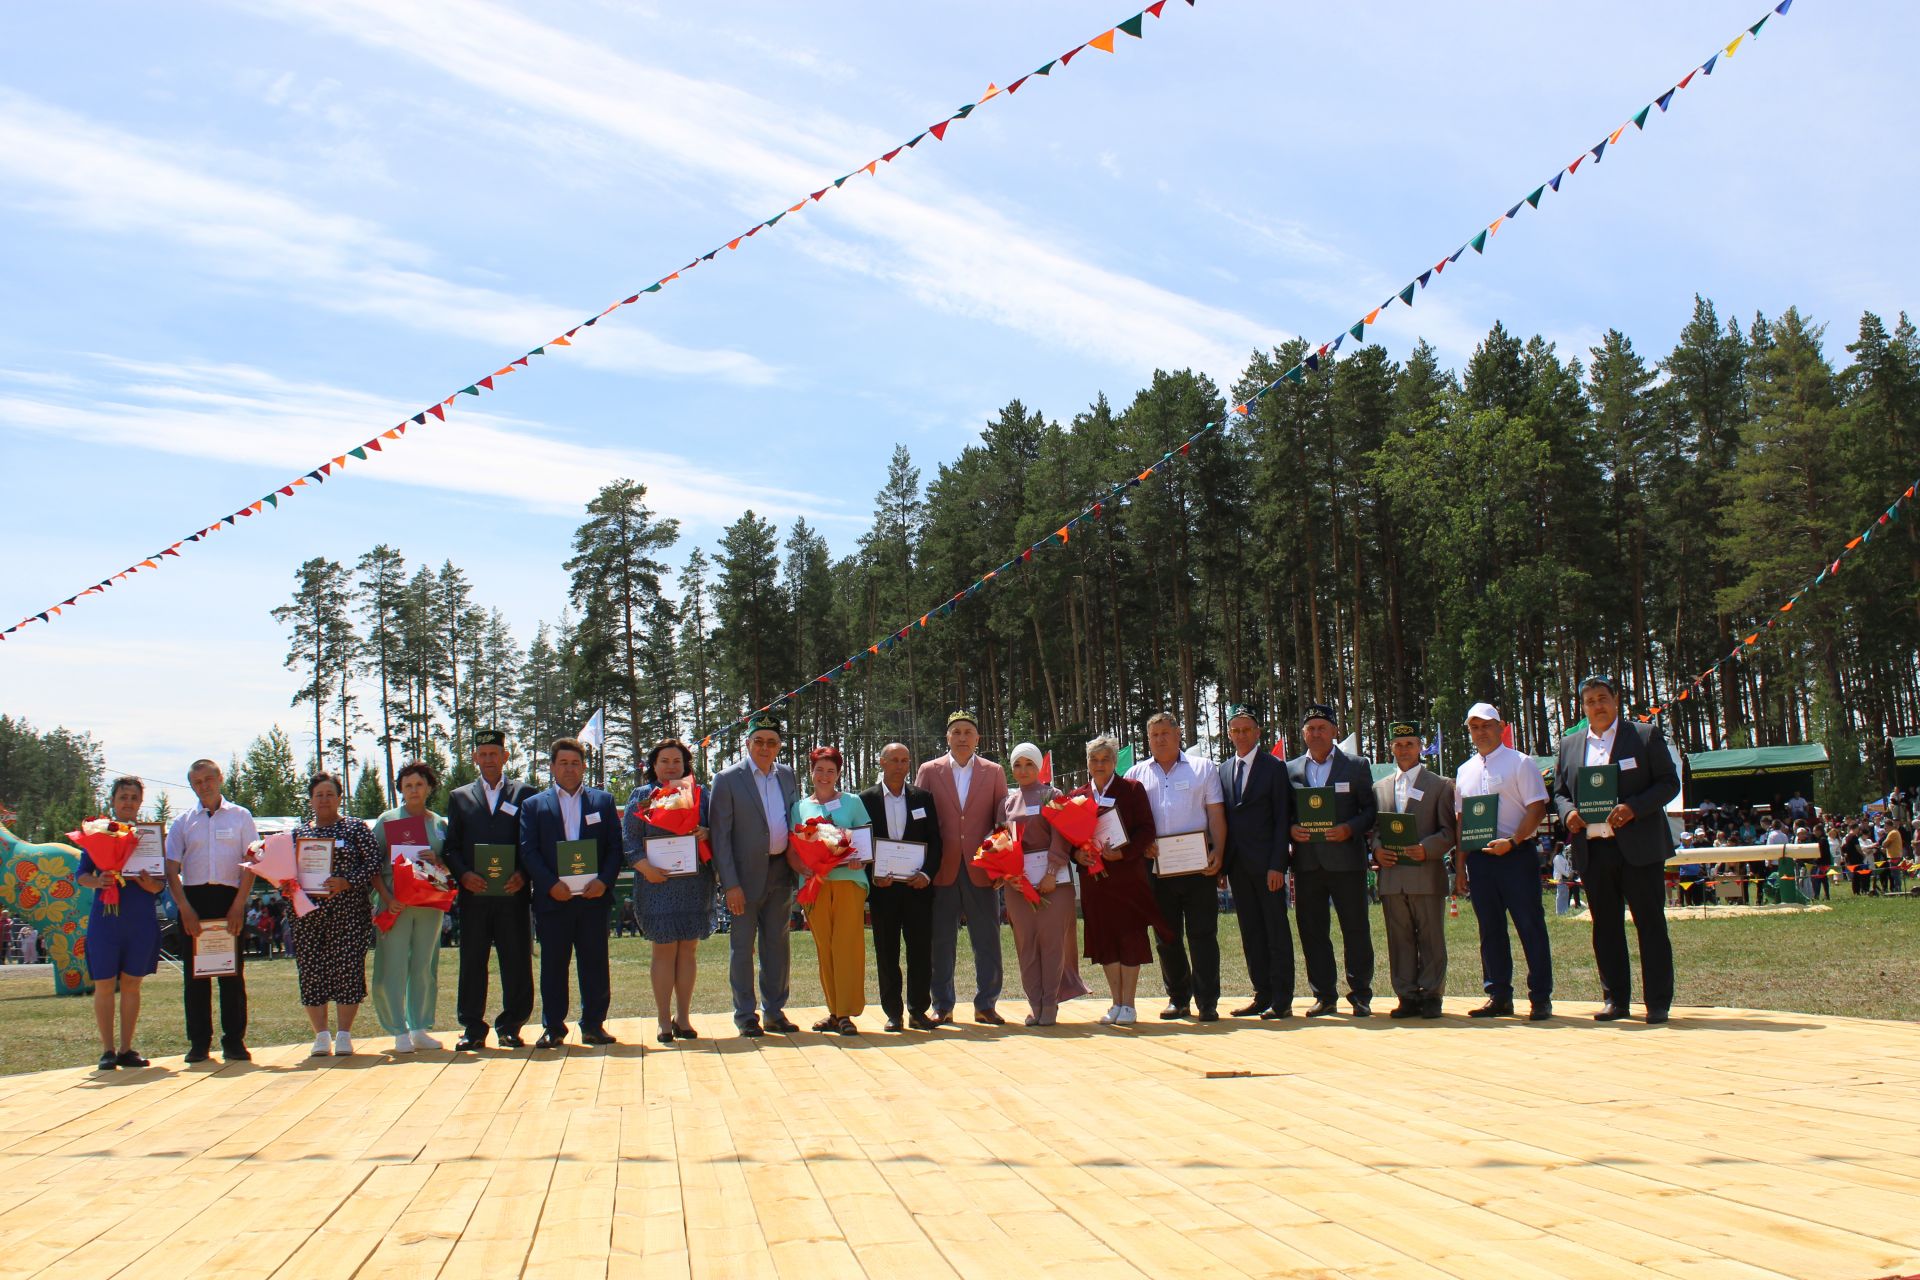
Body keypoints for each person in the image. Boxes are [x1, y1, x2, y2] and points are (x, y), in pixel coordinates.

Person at [1552, 675, 1679, 1024]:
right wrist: (1569, 813)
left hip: (1639, 848)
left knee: (1650, 925)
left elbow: (1669, 783)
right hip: (1594, 850)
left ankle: (1657, 1002)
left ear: (1616, 699)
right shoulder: (1570, 745)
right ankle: (1615, 1000)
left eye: (1603, 698)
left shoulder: (1643, 735)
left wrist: (1634, 807)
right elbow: (1560, 791)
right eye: (1590, 701)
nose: (1597, 706)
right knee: (1605, 927)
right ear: (1583, 707)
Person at [519, 737, 624, 1048]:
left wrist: (604, 881)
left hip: (593, 899)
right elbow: (528, 851)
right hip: (554, 900)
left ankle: (594, 1025)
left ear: (584, 767)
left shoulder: (603, 802)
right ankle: (553, 1027)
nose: (569, 768)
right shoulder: (534, 805)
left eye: (575, 763)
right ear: (552, 767)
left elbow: (614, 849)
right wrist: (551, 884)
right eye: (563, 763)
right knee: (553, 966)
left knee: (594, 964)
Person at [1125, 711, 1227, 1021]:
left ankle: (1207, 1002)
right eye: (1154, 735)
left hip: (1199, 867)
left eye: (1165, 734)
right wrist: (1142, 845)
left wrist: (1219, 852)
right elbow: (1129, 823)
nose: (1159, 739)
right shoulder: (1136, 774)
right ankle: (1178, 998)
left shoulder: (1203, 768)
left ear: (1179, 734)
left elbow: (1216, 816)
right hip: (1157, 869)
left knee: (1203, 934)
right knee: (1166, 937)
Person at [1060, 736, 1169, 1024]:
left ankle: (1129, 1004)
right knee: (1106, 938)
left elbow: (1147, 829)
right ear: (1087, 763)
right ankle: (1115, 1002)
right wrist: (1076, 855)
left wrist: (1126, 853)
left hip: (1127, 877)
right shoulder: (1077, 796)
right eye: (1094, 760)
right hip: (1095, 881)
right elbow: (1069, 839)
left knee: (1130, 936)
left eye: (1105, 759)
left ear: (1114, 762)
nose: (1099, 765)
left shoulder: (1132, 789)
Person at [1454, 702, 1553, 1022]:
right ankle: (1498, 995)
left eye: (1486, 725)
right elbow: (1462, 821)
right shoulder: (1464, 770)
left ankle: (1540, 997)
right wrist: (1460, 866)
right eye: (1474, 727)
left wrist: (1513, 841)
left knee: (1530, 926)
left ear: (1501, 727)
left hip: (1516, 856)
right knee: (1490, 929)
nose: (1480, 732)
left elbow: (1537, 808)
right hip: (1481, 861)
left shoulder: (1520, 763)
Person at [441, 728, 536, 1051]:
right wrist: (463, 874)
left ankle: (512, 1025)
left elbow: (532, 843)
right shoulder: (460, 797)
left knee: (517, 959)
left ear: (505, 756)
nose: (489, 759)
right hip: (475, 895)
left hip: (513, 894)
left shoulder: (525, 794)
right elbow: (450, 847)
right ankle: (472, 1028)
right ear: (474, 758)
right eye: (482, 754)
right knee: (472, 960)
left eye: (494, 753)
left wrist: (524, 874)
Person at [916, 710, 1011, 1026]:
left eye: (968, 732)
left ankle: (986, 1004)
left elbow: (1002, 822)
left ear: (977, 738)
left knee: (987, 940)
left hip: (980, 869)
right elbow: (918, 822)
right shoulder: (929, 771)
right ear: (947, 737)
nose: (962, 737)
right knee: (940, 942)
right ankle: (942, 1005)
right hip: (941, 869)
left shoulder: (994, 772)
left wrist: (999, 865)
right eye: (955, 732)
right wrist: (922, 867)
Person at [1285, 704, 1380, 1017]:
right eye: (1310, 728)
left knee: (1355, 929)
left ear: (1335, 731)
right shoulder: (1291, 769)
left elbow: (1370, 811)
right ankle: (1324, 995)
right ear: (1303, 733)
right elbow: (1285, 813)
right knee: (1313, 932)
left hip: (1347, 863)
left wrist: (1349, 828)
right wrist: (1291, 829)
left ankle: (1361, 994)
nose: (1316, 733)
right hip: (1308, 864)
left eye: (1322, 727)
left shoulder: (1355, 766)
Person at [164, 758, 260, 1064]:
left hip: (229, 898)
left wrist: (238, 905)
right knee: (196, 977)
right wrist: (184, 909)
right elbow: (170, 868)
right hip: (193, 900)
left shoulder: (241, 816)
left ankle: (234, 1041)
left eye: (208, 779)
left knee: (232, 975)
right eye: (197, 782)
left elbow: (252, 863)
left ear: (220, 778)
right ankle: (198, 1043)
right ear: (192, 786)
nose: (204, 786)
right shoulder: (182, 822)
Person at [711, 717, 802, 1038]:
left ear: (779, 746)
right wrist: (729, 884)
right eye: (759, 741)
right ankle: (746, 1014)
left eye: (772, 742)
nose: (765, 747)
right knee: (742, 947)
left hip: (781, 872)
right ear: (747, 744)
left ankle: (775, 1011)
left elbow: (796, 821)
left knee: (778, 945)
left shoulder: (787, 775)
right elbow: (720, 837)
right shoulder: (726, 779)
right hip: (743, 879)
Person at [623, 737, 716, 1045]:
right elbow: (630, 841)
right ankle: (664, 1020)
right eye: (664, 761)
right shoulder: (641, 795)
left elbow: (715, 831)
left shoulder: (699, 796)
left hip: (693, 883)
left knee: (688, 949)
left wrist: (706, 832)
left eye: (677, 761)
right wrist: (644, 866)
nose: (671, 766)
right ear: (653, 765)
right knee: (664, 950)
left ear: (685, 764)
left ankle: (684, 1017)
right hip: (655, 884)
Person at [75, 776, 164, 1070]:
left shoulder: (150, 836)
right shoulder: (98, 833)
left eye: (133, 797)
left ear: (141, 802)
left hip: (139, 918)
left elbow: (159, 885)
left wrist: (149, 882)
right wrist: (98, 881)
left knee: (132, 983)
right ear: (112, 801)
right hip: (106, 918)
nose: (128, 802)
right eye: (123, 797)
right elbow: (82, 875)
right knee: (103, 983)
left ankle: (127, 1048)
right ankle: (107, 1050)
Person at [289, 772, 379, 1057]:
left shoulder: (355, 828)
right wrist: (284, 883)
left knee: (348, 969)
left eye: (330, 794)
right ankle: (320, 1035)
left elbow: (374, 862)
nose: (324, 799)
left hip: (349, 912)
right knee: (312, 972)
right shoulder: (299, 834)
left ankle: (343, 1034)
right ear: (311, 800)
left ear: (340, 798)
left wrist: (348, 881)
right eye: (319, 795)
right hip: (307, 915)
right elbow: (285, 870)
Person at [1371, 719, 1455, 1020]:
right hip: (1392, 876)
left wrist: (1427, 848)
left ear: (1420, 747)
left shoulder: (1441, 785)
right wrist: (1377, 848)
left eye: (1410, 744)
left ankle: (1432, 994)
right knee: (1399, 938)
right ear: (1391, 748)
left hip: (1425, 874)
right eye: (1398, 744)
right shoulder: (1379, 787)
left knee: (1431, 937)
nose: (1404, 749)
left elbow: (1449, 831)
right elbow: (1375, 829)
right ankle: (1406, 994)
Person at [1001, 742, 1088, 1026]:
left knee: (1052, 943)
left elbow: (1060, 835)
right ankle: (1035, 1003)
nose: (1023, 770)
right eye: (1017, 765)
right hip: (1018, 886)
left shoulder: (1053, 794)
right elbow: (1002, 841)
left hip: (1054, 882)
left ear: (1038, 767)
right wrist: (1009, 873)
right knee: (1026, 944)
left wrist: (1051, 871)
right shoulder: (1008, 802)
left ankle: (1050, 1003)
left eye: (1029, 764)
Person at [1218, 706, 1295, 1019]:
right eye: (1235, 730)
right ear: (1228, 734)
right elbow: (1221, 819)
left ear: (1258, 732)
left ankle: (1281, 999)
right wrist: (1221, 867)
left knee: (1275, 930)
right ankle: (1261, 993)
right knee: (1251, 932)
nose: (1241, 735)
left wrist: (1278, 864)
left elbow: (1282, 819)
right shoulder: (1222, 769)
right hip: (1237, 866)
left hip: (1268, 867)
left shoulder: (1274, 767)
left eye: (1246, 729)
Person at [858, 743, 941, 1032]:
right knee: (886, 952)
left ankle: (918, 1010)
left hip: (918, 889)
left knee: (920, 951)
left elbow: (936, 842)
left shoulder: (923, 798)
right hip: (884, 890)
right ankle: (893, 1013)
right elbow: (861, 844)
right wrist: (873, 875)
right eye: (893, 760)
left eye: (905, 760)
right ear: (881, 762)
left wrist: (927, 875)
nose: (899, 765)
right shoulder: (865, 800)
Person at [789, 745, 871, 1035]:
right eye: (819, 770)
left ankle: (847, 1012)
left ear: (839, 773)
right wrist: (802, 868)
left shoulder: (852, 802)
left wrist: (858, 856)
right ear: (811, 772)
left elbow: (864, 838)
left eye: (831, 771)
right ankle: (834, 1011)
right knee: (825, 948)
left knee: (847, 946)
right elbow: (792, 848)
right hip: (815, 885)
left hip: (849, 882)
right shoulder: (799, 807)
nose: (825, 775)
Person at [369, 760, 450, 1054]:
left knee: (424, 966)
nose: (414, 790)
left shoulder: (440, 824)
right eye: (407, 786)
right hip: (395, 904)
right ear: (400, 790)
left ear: (429, 787)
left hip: (429, 904)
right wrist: (386, 899)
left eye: (418, 784)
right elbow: (371, 865)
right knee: (392, 964)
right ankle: (398, 1029)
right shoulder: (388, 820)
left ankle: (419, 1027)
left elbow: (451, 865)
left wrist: (438, 862)